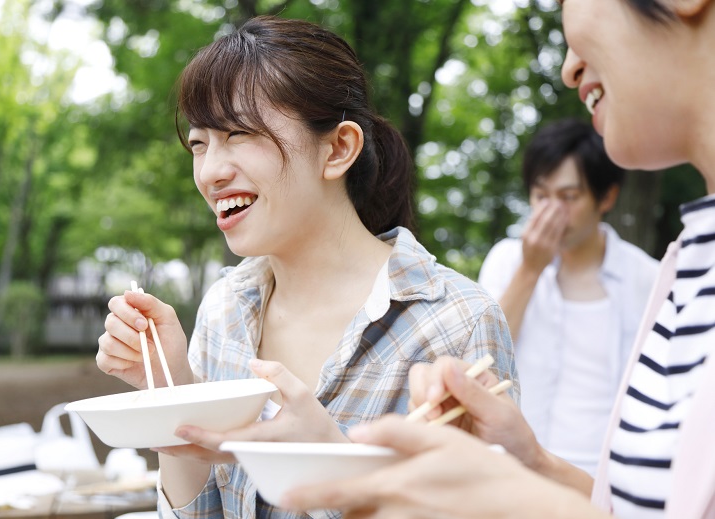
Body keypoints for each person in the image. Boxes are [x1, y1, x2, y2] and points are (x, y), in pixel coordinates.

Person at [282, 0, 715, 516]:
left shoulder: (646, 273)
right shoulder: (685, 261)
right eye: (541, 194)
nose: (568, 65)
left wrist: (518, 501)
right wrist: (531, 461)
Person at [96, 15, 518, 519]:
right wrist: (174, 396)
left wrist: (329, 457)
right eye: (199, 142)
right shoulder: (225, 310)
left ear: (338, 148)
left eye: (237, 133)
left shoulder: (456, 324)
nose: (210, 172)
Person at [477, 118, 658, 475]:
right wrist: (530, 270)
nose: (551, 212)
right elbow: (480, 359)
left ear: (606, 197)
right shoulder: (507, 261)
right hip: (513, 472)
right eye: (541, 196)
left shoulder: (647, 278)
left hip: (606, 481)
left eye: (569, 197)